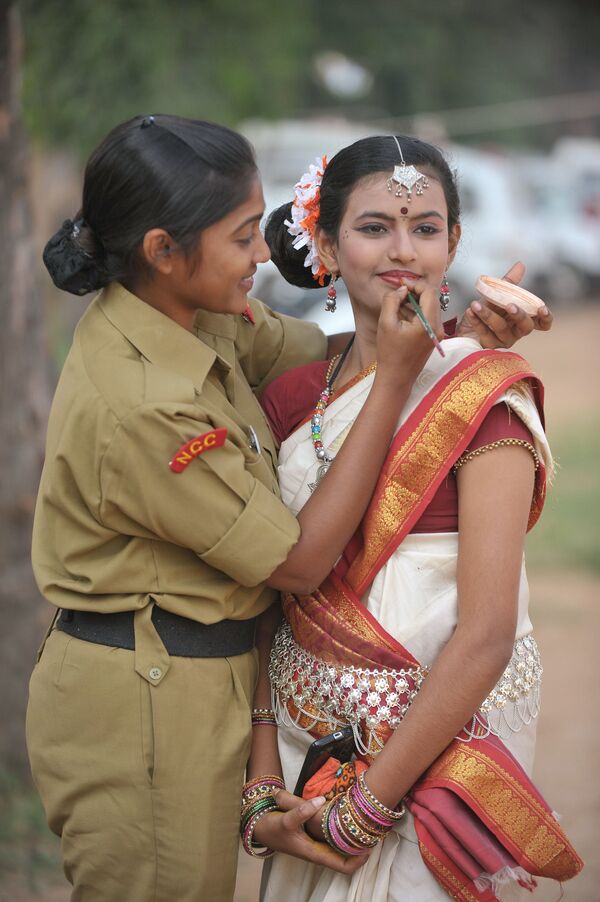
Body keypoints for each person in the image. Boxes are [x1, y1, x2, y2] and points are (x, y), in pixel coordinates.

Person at [244, 135, 583, 901]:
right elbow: (269, 602)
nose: (403, 251)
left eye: (425, 228)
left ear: (453, 243)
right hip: (305, 755)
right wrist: (264, 783)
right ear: (326, 244)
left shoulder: (484, 398)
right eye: (374, 228)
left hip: (432, 766)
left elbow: (487, 635)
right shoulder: (293, 398)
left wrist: (366, 808)